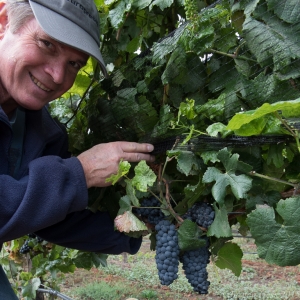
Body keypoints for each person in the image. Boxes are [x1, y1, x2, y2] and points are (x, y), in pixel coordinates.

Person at [0, 0, 155, 298]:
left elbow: (50, 217)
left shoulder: (42, 130)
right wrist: (78, 174)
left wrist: (143, 226)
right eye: (47, 44)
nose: (58, 76)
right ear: (4, 21)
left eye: (75, 64)